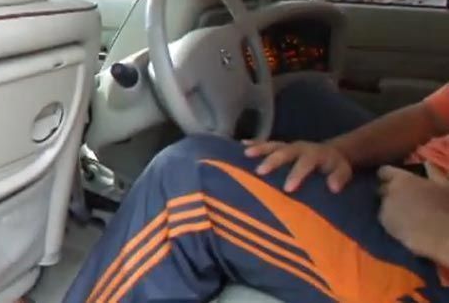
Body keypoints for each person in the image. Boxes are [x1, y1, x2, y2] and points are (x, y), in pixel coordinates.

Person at [63, 79, 449, 303]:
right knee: (298, 100)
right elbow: (430, 115)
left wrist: (437, 231)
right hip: (425, 182)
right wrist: (337, 152)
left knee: (188, 183)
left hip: (434, 262)